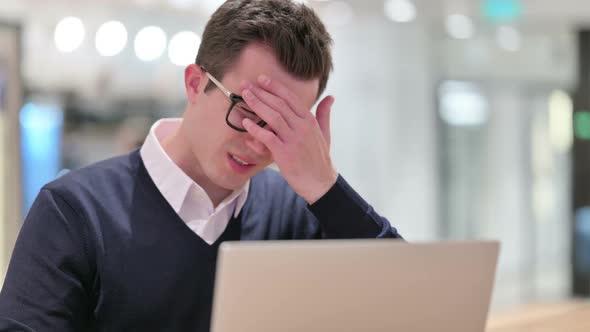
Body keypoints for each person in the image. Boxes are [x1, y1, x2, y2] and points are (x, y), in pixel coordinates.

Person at [0, 0, 403, 331]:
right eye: (246, 111)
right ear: (195, 83)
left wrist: (325, 188)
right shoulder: (76, 212)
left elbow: (413, 301)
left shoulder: (294, 212)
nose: (257, 140)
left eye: (283, 125)